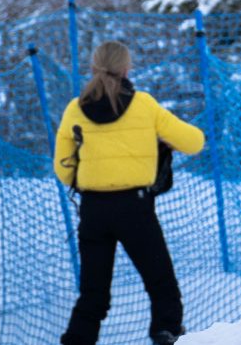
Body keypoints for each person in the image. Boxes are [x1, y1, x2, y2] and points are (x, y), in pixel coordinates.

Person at [54, 41, 206, 345]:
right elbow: (194, 142)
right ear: (127, 67)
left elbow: (62, 167)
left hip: (93, 209)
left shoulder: (75, 108)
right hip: (135, 208)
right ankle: (166, 334)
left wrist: (88, 179)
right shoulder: (143, 104)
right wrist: (161, 140)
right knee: (161, 283)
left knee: (93, 292)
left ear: (94, 66)